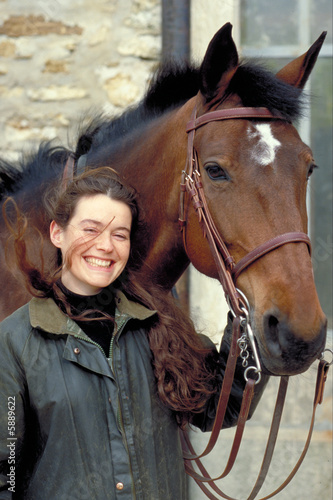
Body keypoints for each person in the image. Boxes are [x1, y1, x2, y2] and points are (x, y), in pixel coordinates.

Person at [0, 167, 267, 500]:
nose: (105, 246)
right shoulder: (14, 342)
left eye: (120, 234)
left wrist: (254, 318)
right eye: (90, 229)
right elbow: (4, 472)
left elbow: (220, 407)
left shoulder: (161, 323)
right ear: (58, 233)